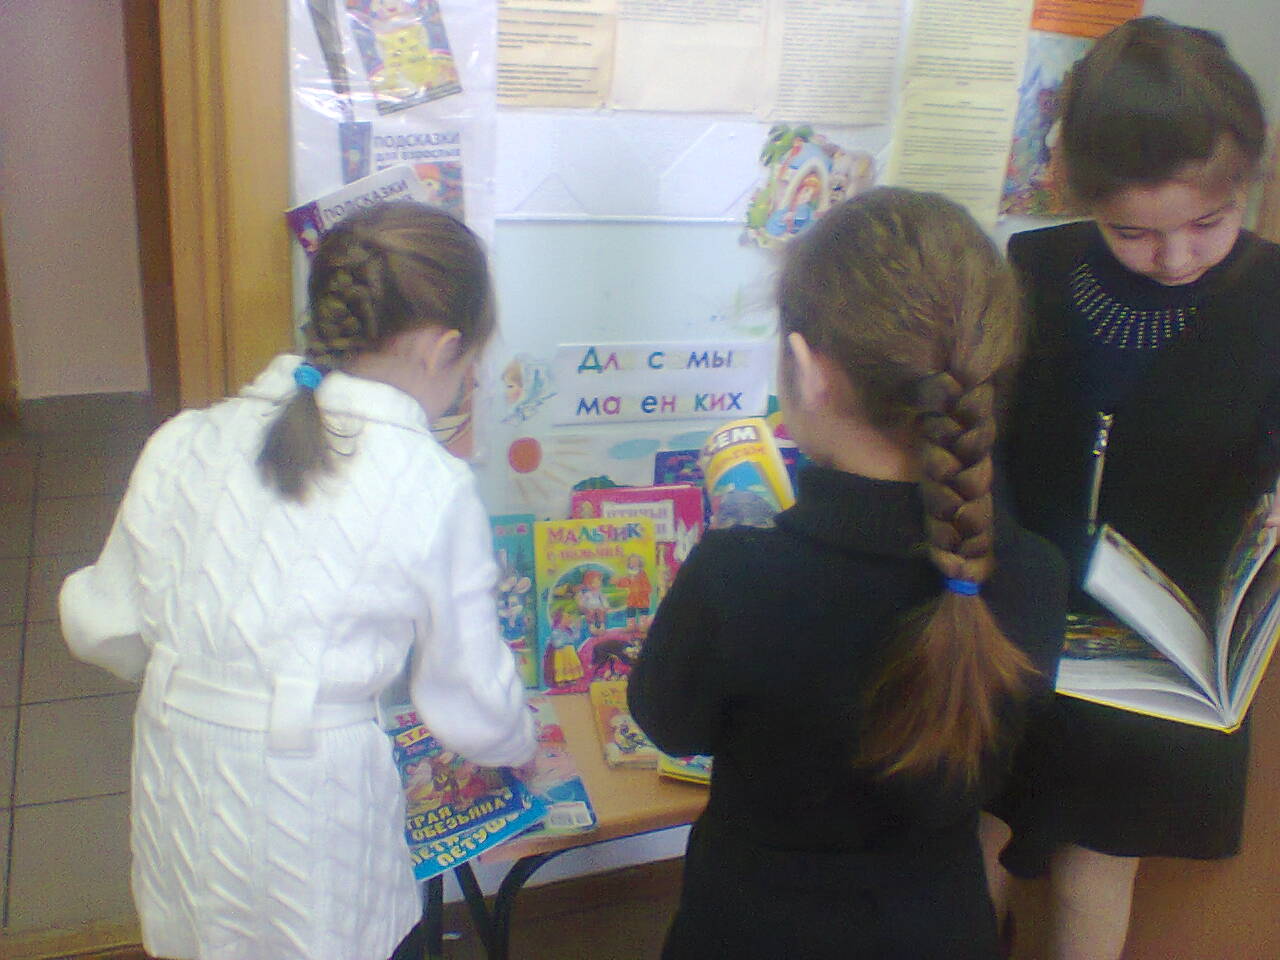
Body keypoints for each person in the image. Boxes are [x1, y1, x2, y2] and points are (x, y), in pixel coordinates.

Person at [57, 202, 536, 960]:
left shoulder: (185, 438)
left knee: (201, 938)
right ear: (442, 348)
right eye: (472, 361)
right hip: (313, 801)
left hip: (181, 768)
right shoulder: (431, 484)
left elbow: (102, 623)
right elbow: (468, 702)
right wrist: (520, 738)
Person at [628, 187, 1067, 959]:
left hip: (753, 933)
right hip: (943, 933)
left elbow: (670, 725)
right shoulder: (1033, 574)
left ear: (809, 370)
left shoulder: (737, 577)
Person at [989, 17, 1280, 960]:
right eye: (1134, 232)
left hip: (1163, 651)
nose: (1177, 257)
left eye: (1208, 223)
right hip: (1022, 615)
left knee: (1096, 866)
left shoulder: (1271, 296)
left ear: (1249, 184)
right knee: (979, 832)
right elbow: (989, 437)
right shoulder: (1036, 270)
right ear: (1085, 199)